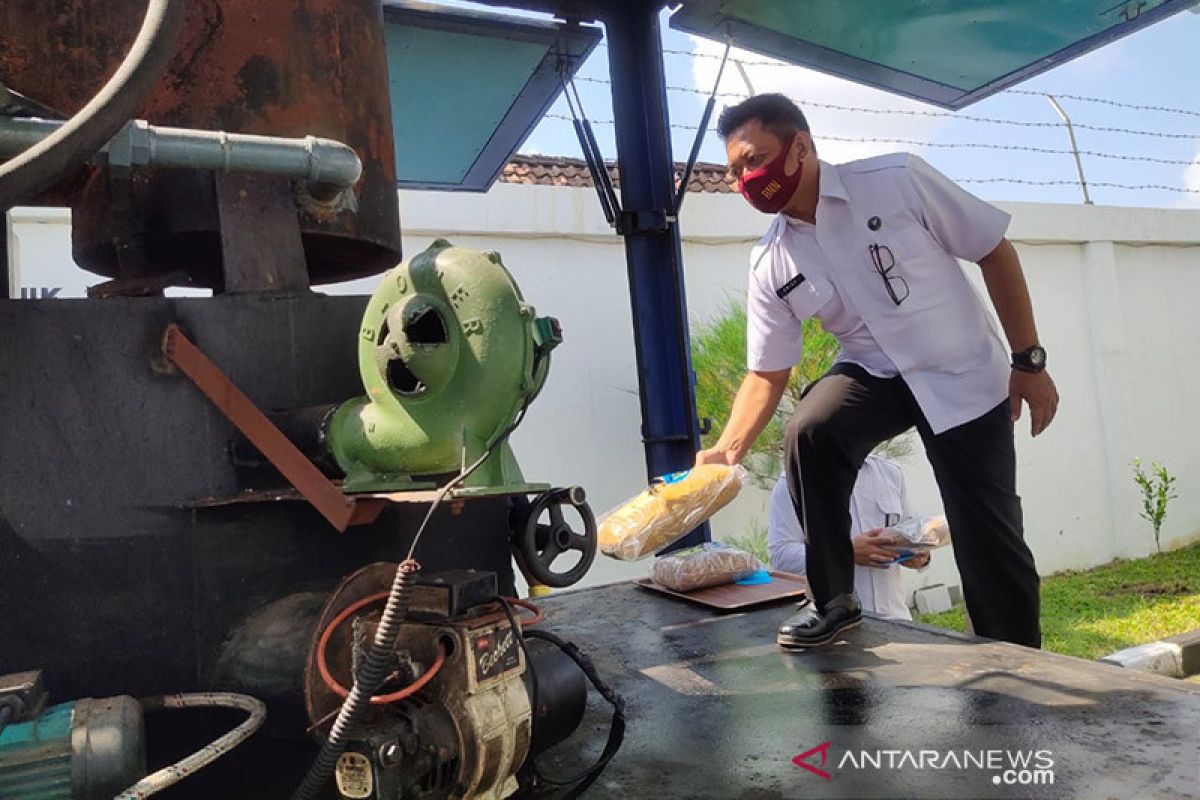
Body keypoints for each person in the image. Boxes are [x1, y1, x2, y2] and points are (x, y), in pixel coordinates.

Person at [695, 94, 1057, 650]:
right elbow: (767, 371)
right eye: (736, 170)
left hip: (962, 372)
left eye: (755, 159)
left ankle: (1019, 662)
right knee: (811, 430)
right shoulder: (770, 260)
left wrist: (1028, 360)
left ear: (801, 147)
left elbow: (994, 250)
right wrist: (728, 450)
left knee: (988, 534)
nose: (746, 178)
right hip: (875, 373)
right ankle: (834, 599)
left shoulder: (896, 182)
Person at [767, 454, 929, 621]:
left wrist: (919, 555)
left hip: (898, 620)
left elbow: (910, 533)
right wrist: (844, 553)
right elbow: (781, 555)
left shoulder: (890, 473)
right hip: (837, 626)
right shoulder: (796, 479)